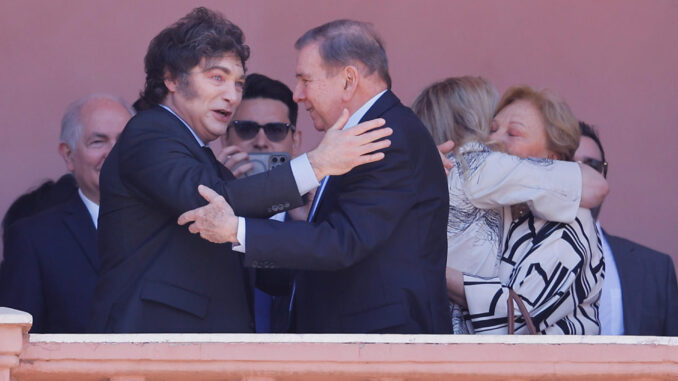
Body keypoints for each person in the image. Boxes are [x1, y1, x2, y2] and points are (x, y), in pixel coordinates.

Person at [89, 8, 390, 333]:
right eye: (217, 77)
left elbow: (266, 270)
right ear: (172, 79)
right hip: (155, 351)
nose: (232, 96)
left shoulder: (208, 164)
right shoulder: (148, 131)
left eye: (238, 83)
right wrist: (316, 164)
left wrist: (326, 229)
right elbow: (209, 200)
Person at [179, 20, 451, 334]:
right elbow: (322, 262)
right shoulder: (358, 135)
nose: (298, 95)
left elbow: (342, 242)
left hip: (382, 349)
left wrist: (236, 230)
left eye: (306, 80)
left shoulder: (385, 135)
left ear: (349, 80)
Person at [412, 77, 608, 333]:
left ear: (553, 159)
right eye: (492, 129)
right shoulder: (502, 211)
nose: (494, 141)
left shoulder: (571, 224)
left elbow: (520, 312)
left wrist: (428, 267)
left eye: (513, 134)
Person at [0, 94, 132, 333]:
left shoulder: (173, 226)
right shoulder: (34, 240)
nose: (114, 154)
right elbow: (17, 347)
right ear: (69, 155)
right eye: (98, 141)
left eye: (124, 141)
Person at [219, 73, 303, 333]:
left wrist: (307, 223)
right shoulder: (203, 209)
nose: (261, 141)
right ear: (225, 137)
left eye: (276, 130)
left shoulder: (316, 217)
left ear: (295, 141)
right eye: (247, 128)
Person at [576, 121, 678, 336]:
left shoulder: (655, 270)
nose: (581, 176)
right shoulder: (512, 260)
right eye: (569, 165)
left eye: (592, 167)